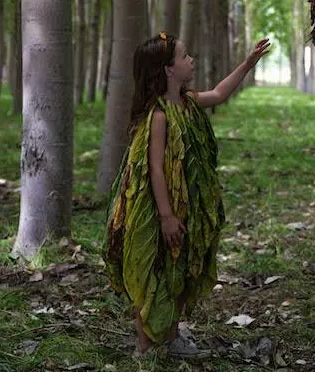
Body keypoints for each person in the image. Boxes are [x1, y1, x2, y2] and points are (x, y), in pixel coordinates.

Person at [104, 32, 271, 355]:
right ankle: (146, 346)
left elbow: (221, 93)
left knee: (181, 268)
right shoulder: (160, 116)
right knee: (152, 270)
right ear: (168, 69)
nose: (191, 59)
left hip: (186, 205)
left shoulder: (189, 101)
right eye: (184, 56)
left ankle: (170, 338)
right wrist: (166, 216)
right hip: (156, 210)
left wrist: (248, 63)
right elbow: (154, 169)